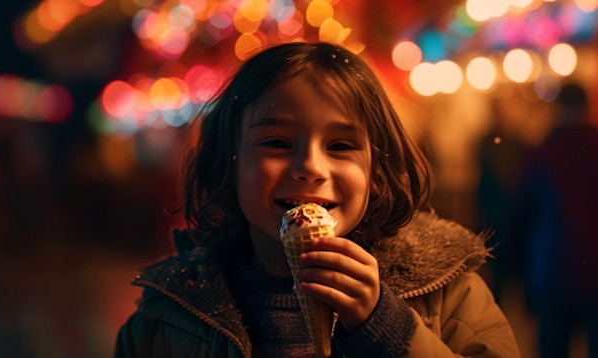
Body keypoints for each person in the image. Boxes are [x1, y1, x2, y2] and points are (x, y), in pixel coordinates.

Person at [114, 42, 521, 357]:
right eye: (276, 142)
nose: (310, 166)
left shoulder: (448, 294)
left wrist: (389, 331)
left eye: (341, 145)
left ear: (375, 172)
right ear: (229, 162)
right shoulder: (166, 318)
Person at [507, 82, 598, 358]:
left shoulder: (545, 153)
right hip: (594, 274)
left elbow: (521, 212)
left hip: (555, 271)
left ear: (558, 109)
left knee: (553, 348)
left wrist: (512, 267)